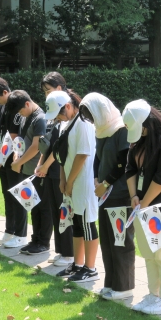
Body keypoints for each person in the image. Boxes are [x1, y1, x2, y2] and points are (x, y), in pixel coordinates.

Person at [122, 99, 161, 314]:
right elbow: (130, 170)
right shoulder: (138, 141)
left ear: (148, 122)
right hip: (143, 209)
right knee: (149, 255)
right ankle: (154, 295)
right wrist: (133, 197)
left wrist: (143, 203)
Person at [80, 93, 135, 300]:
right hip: (104, 195)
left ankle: (124, 287)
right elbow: (97, 157)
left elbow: (123, 162)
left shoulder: (121, 130)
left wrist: (105, 183)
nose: (92, 121)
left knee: (120, 240)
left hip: (119, 194)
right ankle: (111, 283)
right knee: (107, 241)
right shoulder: (100, 130)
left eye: (92, 115)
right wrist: (96, 179)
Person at [49, 91, 100, 283]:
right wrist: (63, 180)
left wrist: (69, 182)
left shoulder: (84, 124)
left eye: (60, 113)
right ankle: (78, 264)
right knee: (76, 224)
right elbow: (63, 155)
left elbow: (82, 155)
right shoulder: (64, 124)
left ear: (68, 106)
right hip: (71, 183)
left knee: (87, 224)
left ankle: (91, 267)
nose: (58, 117)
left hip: (83, 183)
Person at [0, 77, 28, 246]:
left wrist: (2, 157)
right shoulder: (2, 107)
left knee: (18, 195)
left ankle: (21, 234)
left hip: (15, 156)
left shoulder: (16, 106)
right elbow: (1, 133)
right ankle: (10, 230)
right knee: (7, 194)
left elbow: (14, 136)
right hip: (3, 155)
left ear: (5, 92)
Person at [40, 72, 75, 267]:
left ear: (60, 88)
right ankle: (61, 250)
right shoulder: (53, 113)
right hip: (52, 171)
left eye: (49, 90)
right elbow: (48, 143)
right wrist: (41, 164)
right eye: (44, 92)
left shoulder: (67, 113)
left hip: (60, 169)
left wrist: (45, 165)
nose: (46, 95)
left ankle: (69, 253)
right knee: (56, 211)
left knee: (65, 211)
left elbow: (60, 146)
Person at [6, 90, 48, 251]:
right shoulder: (25, 116)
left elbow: (36, 147)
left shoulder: (40, 118)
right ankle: (34, 240)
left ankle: (43, 242)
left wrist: (18, 163)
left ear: (28, 104)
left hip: (37, 170)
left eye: (20, 110)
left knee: (42, 209)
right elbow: (21, 141)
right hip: (26, 169)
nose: (20, 114)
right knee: (32, 206)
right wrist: (16, 157)